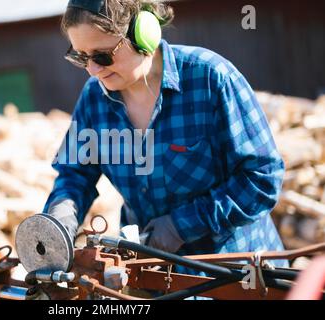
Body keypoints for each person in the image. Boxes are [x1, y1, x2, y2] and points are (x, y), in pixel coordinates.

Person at [42, 0, 287, 276]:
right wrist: (61, 214)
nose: (93, 70)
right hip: (150, 274)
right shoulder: (93, 99)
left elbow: (262, 178)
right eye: (81, 57)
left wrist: (182, 225)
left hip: (234, 273)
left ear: (142, 33)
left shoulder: (211, 79)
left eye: (102, 55)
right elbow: (74, 174)